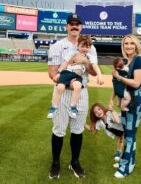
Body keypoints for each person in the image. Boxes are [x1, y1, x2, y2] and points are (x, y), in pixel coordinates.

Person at [47, 13, 98, 179]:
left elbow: (92, 71)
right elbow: (52, 72)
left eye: (77, 24)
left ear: (81, 26)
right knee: (59, 130)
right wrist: (65, 81)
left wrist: (85, 62)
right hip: (63, 92)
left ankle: (74, 162)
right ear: (67, 26)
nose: (74, 26)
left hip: (81, 92)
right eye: (71, 24)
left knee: (77, 130)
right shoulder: (57, 46)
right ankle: (55, 163)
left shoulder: (90, 47)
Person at [109, 34, 141, 178]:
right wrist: (111, 99)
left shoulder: (138, 60)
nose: (129, 46)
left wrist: (119, 77)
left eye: (131, 43)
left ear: (136, 45)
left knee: (129, 135)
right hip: (127, 100)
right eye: (126, 44)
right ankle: (129, 161)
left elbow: (136, 83)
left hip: (135, 100)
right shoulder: (127, 61)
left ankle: (125, 167)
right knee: (129, 134)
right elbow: (117, 84)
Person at [48, 35, 103, 119]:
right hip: (66, 73)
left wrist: (100, 75)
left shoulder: (90, 57)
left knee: (77, 87)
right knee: (60, 87)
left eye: (87, 47)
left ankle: (72, 107)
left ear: (90, 47)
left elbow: (95, 66)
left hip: (77, 75)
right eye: (82, 46)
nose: (84, 48)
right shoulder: (73, 53)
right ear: (78, 46)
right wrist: (59, 73)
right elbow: (65, 63)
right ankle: (53, 107)